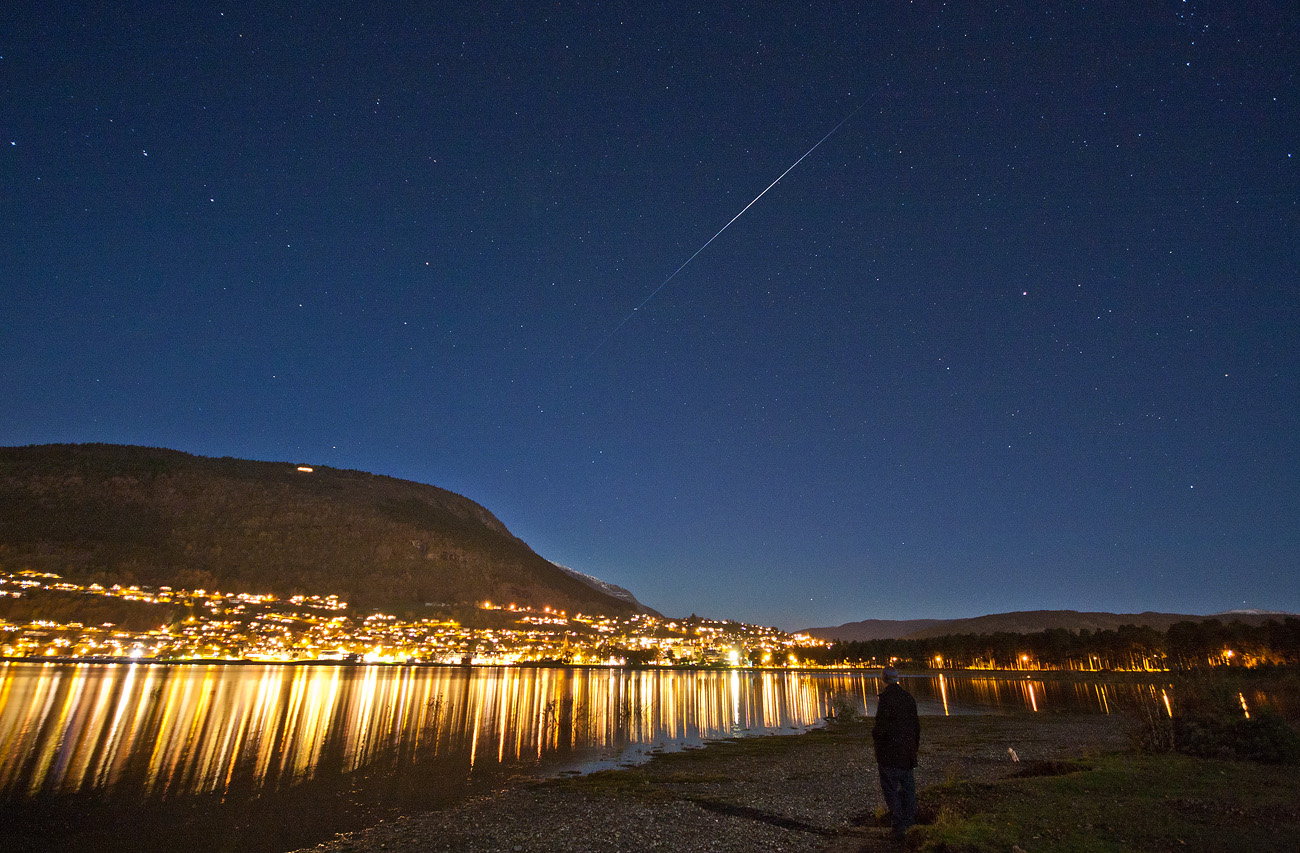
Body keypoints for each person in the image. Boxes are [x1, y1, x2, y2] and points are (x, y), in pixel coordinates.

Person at [872, 666, 920, 841]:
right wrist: (914, 748)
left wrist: (876, 737)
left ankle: (899, 826)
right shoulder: (908, 698)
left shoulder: (885, 700)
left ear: (884, 679)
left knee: (891, 790)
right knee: (908, 789)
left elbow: (881, 728)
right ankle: (911, 823)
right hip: (907, 753)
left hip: (889, 755)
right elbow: (916, 727)